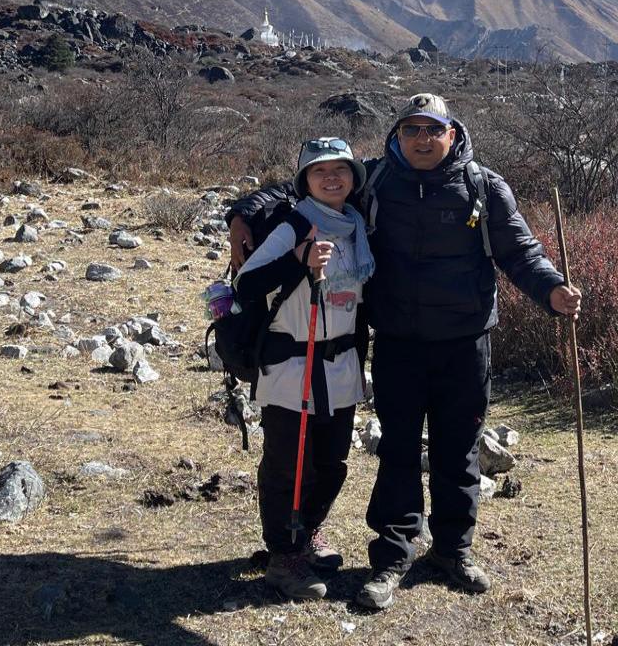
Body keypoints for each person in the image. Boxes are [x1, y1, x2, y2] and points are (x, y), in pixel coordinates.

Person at [355, 93, 581, 610]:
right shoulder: (372, 181)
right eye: (412, 129)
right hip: (397, 342)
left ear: (452, 134)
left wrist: (551, 290)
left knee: (459, 449)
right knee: (397, 450)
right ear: (398, 135)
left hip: (464, 343)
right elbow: (310, 192)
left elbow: (520, 250)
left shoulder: (483, 185)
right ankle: (393, 556)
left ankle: (453, 550)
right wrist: (245, 216)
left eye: (432, 130)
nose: (422, 139)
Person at [232, 137, 373, 601]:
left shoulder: (357, 227)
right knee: (287, 466)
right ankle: (284, 555)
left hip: (339, 368)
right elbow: (248, 284)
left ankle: (308, 531)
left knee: (331, 463)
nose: (332, 178)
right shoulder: (295, 225)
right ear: (304, 182)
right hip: (293, 365)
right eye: (319, 172)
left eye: (341, 169)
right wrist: (298, 261)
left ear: (354, 177)